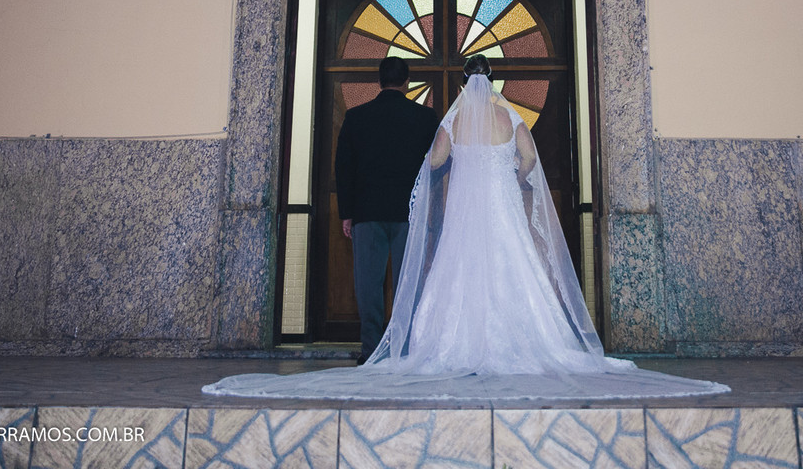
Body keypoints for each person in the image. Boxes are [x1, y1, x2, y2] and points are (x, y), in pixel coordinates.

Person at [204, 55, 728, 401]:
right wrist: (510, 177)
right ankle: (526, 342)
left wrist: (440, 175)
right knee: (512, 267)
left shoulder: (451, 120)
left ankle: (416, 345)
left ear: (462, 83)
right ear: (492, 81)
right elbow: (530, 161)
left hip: (453, 211)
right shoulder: (510, 118)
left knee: (452, 270)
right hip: (500, 207)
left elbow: (434, 162)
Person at [334, 55, 439, 364]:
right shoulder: (425, 117)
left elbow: (343, 168)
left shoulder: (356, 117)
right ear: (407, 82)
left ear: (379, 81)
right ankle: (404, 349)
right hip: (410, 212)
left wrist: (346, 212)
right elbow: (438, 163)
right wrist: (428, 200)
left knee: (368, 285)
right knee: (409, 283)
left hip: (367, 211)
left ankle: (371, 351)